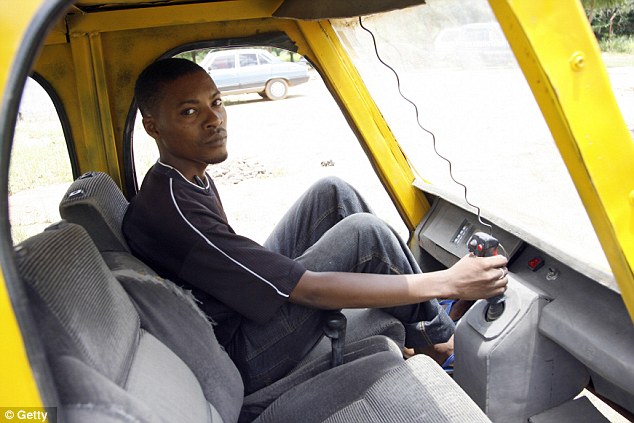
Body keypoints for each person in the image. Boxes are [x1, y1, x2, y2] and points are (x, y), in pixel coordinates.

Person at [122, 58, 508, 394]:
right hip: (241, 354)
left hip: (234, 312)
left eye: (217, 102)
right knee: (366, 236)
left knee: (332, 193)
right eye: (190, 112)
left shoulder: (182, 177)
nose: (214, 119)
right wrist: (450, 282)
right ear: (153, 127)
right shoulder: (175, 210)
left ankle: (419, 312)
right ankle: (436, 340)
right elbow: (308, 290)